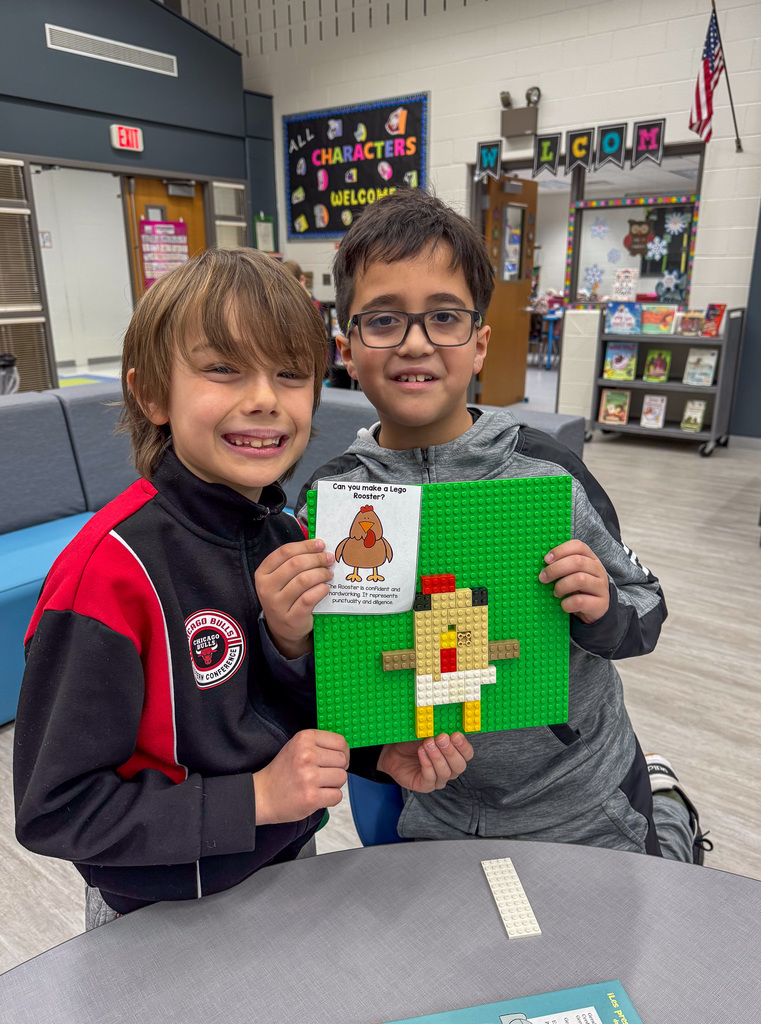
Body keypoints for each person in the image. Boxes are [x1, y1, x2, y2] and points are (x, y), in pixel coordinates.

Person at [13, 248, 473, 928]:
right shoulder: (106, 574)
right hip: (155, 910)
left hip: (289, 867)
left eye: (290, 374)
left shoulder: (291, 537)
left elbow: (287, 706)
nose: (263, 398)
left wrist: (381, 753)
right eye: (223, 368)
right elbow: (57, 809)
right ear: (151, 394)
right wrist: (254, 798)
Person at [297, 189, 709, 864]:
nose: (415, 342)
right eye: (383, 321)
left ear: (480, 344)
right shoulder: (331, 499)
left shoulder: (546, 474)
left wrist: (600, 609)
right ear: (346, 346)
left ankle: (668, 810)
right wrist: (290, 637)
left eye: (444, 318)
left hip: (582, 796)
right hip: (438, 809)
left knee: (623, 935)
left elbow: (648, 606)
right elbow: (325, 673)